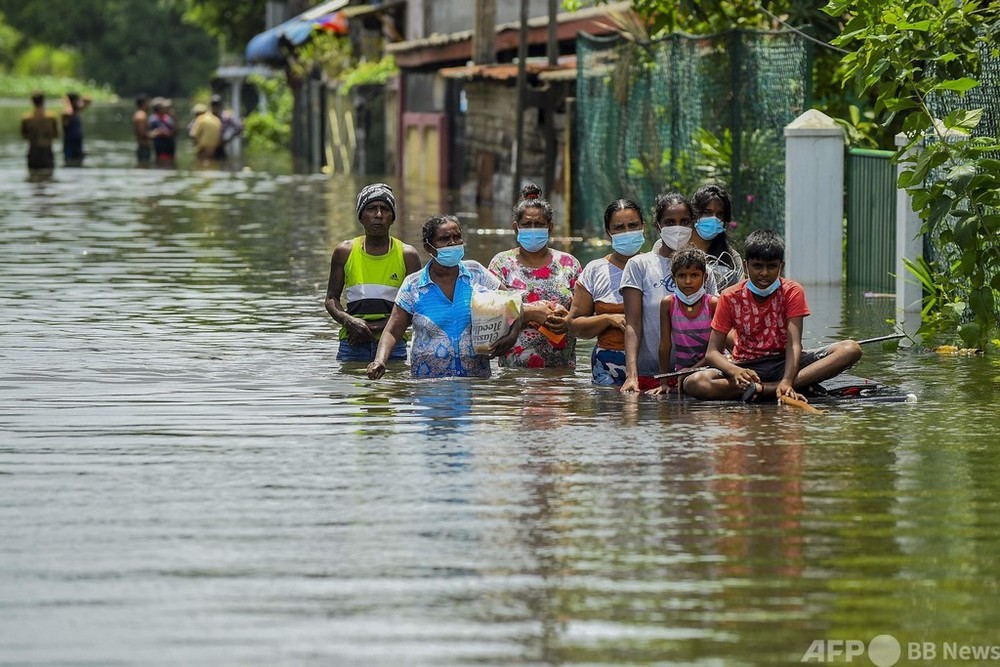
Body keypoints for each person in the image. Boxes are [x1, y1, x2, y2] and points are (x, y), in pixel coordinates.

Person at [683, 229, 863, 402]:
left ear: (781, 266)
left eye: (771, 266)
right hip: (747, 367)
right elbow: (713, 352)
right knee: (694, 383)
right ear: (746, 266)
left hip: (785, 364)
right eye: (757, 266)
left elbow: (794, 344)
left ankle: (771, 389)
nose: (764, 273)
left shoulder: (792, 291)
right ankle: (787, 387)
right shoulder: (729, 296)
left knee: (850, 349)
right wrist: (733, 371)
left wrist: (786, 380)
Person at [367, 214, 520, 379]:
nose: (452, 243)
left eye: (457, 237)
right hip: (428, 388)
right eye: (444, 239)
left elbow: (514, 304)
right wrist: (380, 360)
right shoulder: (413, 285)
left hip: (475, 386)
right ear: (429, 247)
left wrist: (511, 337)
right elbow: (392, 331)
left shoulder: (476, 274)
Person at [620, 192, 718, 393]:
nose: (678, 228)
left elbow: (716, 327)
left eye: (684, 221)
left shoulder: (704, 270)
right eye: (670, 222)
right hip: (650, 374)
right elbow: (633, 324)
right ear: (658, 226)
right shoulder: (639, 265)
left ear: (693, 224)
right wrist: (632, 375)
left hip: (696, 375)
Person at [326, 183, 421, 364]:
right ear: (361, 216)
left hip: (393, 343)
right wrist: (349, 322)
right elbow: (331, 299)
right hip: (352, 343)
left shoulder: (407, 255)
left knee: (392, 391)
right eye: (371, 209)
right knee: (353, 390)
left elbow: (415, 308)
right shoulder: (345, 251)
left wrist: (372, 328)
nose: (378, 215)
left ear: (392, 218)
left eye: (385, 209)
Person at [488, 193, 582, 368]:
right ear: (516, 228)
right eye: (527, 224)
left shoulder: (569, 264)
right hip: (514, 374)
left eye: (539, 224)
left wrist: (568, 321)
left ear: (550, 227)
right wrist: (530, 313)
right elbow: (488, 312)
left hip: (561, 374)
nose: (533, 229)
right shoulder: (501, 263)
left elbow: (584, 314)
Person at [567, 198, 647, 386]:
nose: (627, 232)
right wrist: (608, 319)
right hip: (607, 367)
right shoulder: (596, 270)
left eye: (633, 225)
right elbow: (573, 324)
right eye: (619, 227)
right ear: (608, 232)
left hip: (652, 366)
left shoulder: (657, 268)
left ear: (644, 226)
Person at [649, 246, 718, 395]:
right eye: (682, 276)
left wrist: (693, 369)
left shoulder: (712, 303)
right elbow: (665, 344)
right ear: (674, 279)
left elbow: (717, 349)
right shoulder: (669, 303)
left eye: (694, 275)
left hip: (712, 367)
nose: (688, 281)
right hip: (683, 372)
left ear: (704, 277)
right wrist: (663, 383)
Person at [691, 183, 745, 289]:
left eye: (720, 214)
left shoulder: (732, 258)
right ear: (694, 214)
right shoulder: (674, 247)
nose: (714, 219)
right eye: (707, 212)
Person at [20, 91, 59, 174]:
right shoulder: (51, 117)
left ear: (32, 101)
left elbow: (24, 135)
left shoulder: (26, 118)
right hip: (47, 150)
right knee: (48, 176)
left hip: (33, 150)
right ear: (44, 101)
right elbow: (56, 134)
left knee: (32, 176)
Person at [61, 92, 90, 167]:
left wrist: (79, 100)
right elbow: (68, 112)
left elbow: (89, 100)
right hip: (69, 145)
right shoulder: (66, 114)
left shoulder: (77, 111)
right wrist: (67, 101)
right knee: (69, 164)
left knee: (79, 164)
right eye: (77, 101)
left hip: (78, 145)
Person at [210, 95, 243, 160]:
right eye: (213, 105)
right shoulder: (206, 118)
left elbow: (239, 127)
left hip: (220, 147)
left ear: (220, 106)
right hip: (207, 148)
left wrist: (228, 139)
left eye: (217, 105)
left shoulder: (225, 117)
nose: (215, 107)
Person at [147, 97, 176, 166]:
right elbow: (151, 133)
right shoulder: (153, 119)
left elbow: (174, 131)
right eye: (164, 107)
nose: (167, 109)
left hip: (169, 146)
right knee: (162, 164)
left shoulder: (168, 117)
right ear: (158, 109)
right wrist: (160, 133)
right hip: (161, 147)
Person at [133, 94, 152, 164]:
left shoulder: (141, 115)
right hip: (143, 147)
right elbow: (142, 134)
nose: (149, 105)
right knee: (144, 168)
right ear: (144, 103)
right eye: (148, 102)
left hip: (144, 147)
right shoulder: (141, 116)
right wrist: (155, 134)